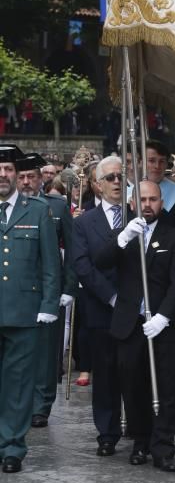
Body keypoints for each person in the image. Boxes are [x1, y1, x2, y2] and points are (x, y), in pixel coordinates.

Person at [96, 180, 175, 472]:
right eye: (143, 200)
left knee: (165, 386)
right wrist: (123, 238)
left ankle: (163, 447)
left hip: (162, 324)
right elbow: (100, 262)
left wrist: (164, 316)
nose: (148, 204)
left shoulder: (174, 237)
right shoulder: (124, 234)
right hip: (130, 323)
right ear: (132, 203)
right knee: (132, 385)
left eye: (153, 199)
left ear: (161, 203)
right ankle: (140, 441)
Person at [0, 145, 61, 473]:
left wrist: (50, 303)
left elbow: (50, 263)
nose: (3, 175)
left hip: (25, 311)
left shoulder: (37, 210)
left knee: (19, 383)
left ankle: (12, 445)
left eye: (8, 169)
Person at [17, 154, 77, 429]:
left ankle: (41, 405)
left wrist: (68, 287)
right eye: (21, 177)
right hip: (17, 290)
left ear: (42, 179)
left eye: (31, 176)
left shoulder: (56, 206)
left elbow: (74, 249)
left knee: (45, 352)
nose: (26, 182)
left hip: (47, 289)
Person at [72, 155, 124, 456]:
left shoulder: (135, 213)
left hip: (133, 306)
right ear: (97, 185)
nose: (117, 182)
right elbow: (82, 265)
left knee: (132, 370)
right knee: (104, 372)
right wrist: (111, 296)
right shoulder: (84, 222)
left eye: (121, 177)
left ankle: (138, 427)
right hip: (100, 306)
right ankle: (107, 432)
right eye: (110, 178)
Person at [146, 140, 175, 243]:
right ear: (141, 162)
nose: (157, 166)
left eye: (162, 161)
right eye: (151, 160)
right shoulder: (128, 192)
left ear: (167, 164)